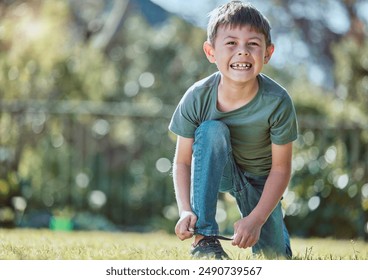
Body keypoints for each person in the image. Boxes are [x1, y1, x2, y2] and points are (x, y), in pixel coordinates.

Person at [168, 0, 298, 259]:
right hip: (225, 170)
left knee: (274, 258)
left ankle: (273, 229)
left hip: (261, 181)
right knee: (211, 130)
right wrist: (185, 210)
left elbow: (281, 168)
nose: (242, 52)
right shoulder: (197, 97)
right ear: (211, 52)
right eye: (231, 43)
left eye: (253, 44)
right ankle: (204, 240)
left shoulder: (278, 101)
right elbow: (182, 161)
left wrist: (257, 219)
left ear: (268, 53)